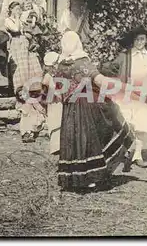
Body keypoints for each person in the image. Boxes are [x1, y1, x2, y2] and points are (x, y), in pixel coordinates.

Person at [55, 31, 135, 192]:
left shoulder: (61, 64)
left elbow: (58, 89)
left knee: (73, 139)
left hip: (70, 108)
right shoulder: (82, 62)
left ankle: (73, 178)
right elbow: (99, 80)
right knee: (90, 137)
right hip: (86, 105)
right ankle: (92, 178)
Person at [107, 26, 147, 170]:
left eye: (142, 39)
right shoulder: (126, 55)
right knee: (126, 122)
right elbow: (112, 68)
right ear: (133, 41)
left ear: (146, 40)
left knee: (141, 125)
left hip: (143, 95)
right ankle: (124, 152)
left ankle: (137, 155)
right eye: (137, 39)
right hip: (127, 95)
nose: (140, 42)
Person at [4, 1, 43, 94]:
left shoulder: (21, 20)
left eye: (19, 9)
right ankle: (19, 90)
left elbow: (28, 29)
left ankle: (32, 89)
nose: (19, 11)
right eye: (16, 9)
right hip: (16, 44)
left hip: (25, 44)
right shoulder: (8, 20)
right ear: (11, 10)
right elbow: (16, 29)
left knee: (31, 65)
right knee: (19, 68)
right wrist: (17, 17)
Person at [42, 51, 62, 155]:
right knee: (54, 122)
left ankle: (62, 145)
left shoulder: (59, 76)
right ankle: (55, 147)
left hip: (60, 103)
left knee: (60, 122)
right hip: (53, 104)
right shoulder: (47, 77)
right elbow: (44, 92)